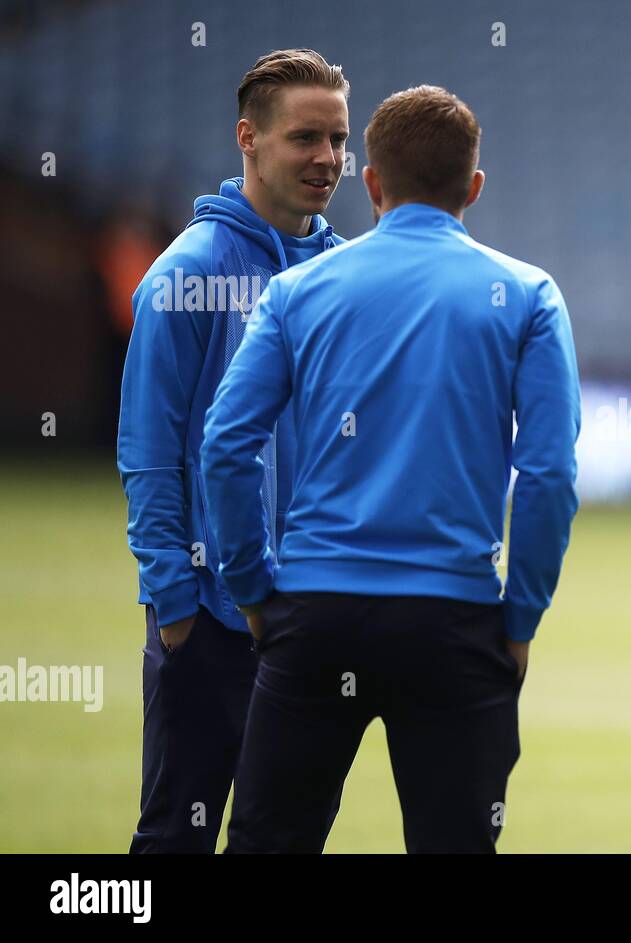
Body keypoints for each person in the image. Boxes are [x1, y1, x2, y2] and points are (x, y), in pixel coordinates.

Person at [202, 85, 581, 853]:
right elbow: (546, 475)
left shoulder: (295, 290)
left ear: (370, 182)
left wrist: (251, 584)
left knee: (268, 839)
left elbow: (225, 445)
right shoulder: (529, 295)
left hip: (313, 610)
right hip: (454, 617)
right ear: (473, 188)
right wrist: (521, 614)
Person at [117, 48, 349, 853]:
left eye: (339, 140)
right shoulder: (187, 273)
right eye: (305, 138)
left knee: (291, 836)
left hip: (315, 617)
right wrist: (176, 611)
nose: (327, 159)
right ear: (247, 138)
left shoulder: (347, 274)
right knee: (174, 840)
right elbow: (147, 454)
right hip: (210, 621)